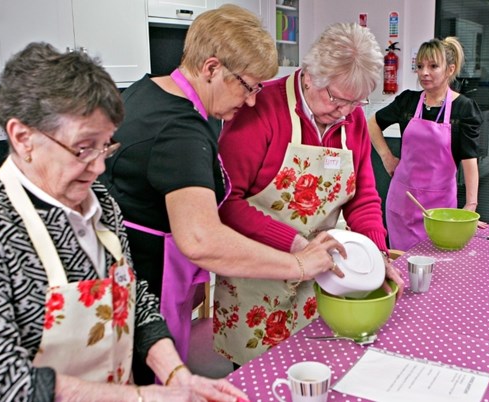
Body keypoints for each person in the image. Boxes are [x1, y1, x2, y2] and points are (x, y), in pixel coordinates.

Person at [0, 42, 248, 402]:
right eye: (83, 148)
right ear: (23, 138)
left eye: (105, 147)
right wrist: (141, 398)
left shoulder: (102, 207)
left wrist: (178, 374)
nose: (98, 167)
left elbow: (134, 300)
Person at [103, 4, 346, 383]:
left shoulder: (146, 91)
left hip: (131, 273)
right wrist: (299, 265)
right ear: (212, 68)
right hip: (151, 276)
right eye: (247, 86)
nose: (250, 101)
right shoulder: (179, 130)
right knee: (149, 383)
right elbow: (202, 238)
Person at [214, 22, 405, 365]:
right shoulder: (259, 108)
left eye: (357, 102)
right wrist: (298, 247)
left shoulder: (352, 119)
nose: (345, 112)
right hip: (258, 276)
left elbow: (362, 197)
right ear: (310, 75)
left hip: (324, 277)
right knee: (262, 380)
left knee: (318, 370)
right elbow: (227, 202)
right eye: (336, 98)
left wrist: (377, 255)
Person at [368, 37, 483, 251]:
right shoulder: (408, 102)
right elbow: (372, 123)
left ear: (450, 69)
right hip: (401, 202)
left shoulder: (463, 109)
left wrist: (470, 205)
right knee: (401, 264)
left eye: (432, 66)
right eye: (419, 66)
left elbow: (469, 160)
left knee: (437, 266)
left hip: (440, 209)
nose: (424, 72)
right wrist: (387, 157)